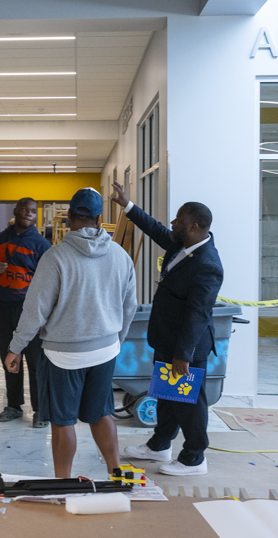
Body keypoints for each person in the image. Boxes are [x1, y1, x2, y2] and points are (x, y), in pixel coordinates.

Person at [5, 188, 137, 477]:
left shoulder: (55, 258)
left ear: (68, 217)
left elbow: (35, 309)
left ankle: (63, 481)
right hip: (105, 351)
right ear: (99, 218)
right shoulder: (121, 256)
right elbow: (130, 307)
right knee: (102, 413)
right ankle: (116, 474)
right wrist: (116, 341)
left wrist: (16, 347)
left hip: (62, 354)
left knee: (63, 421)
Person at [110, 182, 223, 476]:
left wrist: (183, 355)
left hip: (187, 346)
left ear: (196, 227)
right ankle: (160, 445)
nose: (173, 224)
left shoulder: (208, 265)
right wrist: (127, 205)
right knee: (168, 395)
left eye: (179, 221)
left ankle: (194, 458)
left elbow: (198, 314)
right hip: (168, 337)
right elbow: (157, 229)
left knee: (189, 402)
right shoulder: (183, 244)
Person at [0, 197, 52, 427]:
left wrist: (46, 315)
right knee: (9, 357)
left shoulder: (42, 245)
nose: (28, 213)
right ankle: (14, 405)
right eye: (24, 209)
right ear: (16, 210)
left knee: (35, 360)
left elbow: (50, 282)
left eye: (33, 211)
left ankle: (40, 409)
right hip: (2, 306)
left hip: (30, 311)